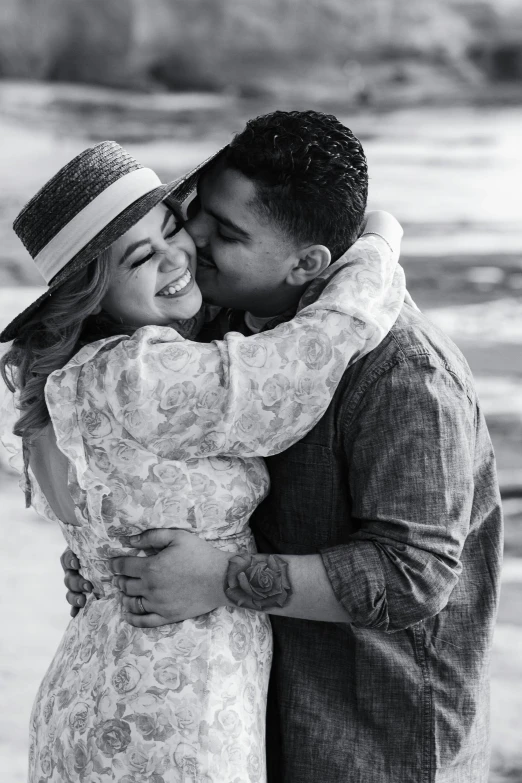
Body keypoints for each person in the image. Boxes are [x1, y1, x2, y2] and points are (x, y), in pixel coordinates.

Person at [64, 111, 502, 783]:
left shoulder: (404, 374)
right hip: (252, 716)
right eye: (195, 214)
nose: (195, 243)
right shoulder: (217, 323)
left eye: (229, 233)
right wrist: (103, 555)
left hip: (376, 743)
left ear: (308, 263)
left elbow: (411, 574)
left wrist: (218, 579)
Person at [0, 138, 405, 783]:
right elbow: (304, 364)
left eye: (171, 229)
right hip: (173, 704)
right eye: (140, 258)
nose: (176, 258)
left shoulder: (73, 380)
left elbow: (94, 529)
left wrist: (91, 564)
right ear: (93, 293)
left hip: (96, 685)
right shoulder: (141, 373)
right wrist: (377, 247)